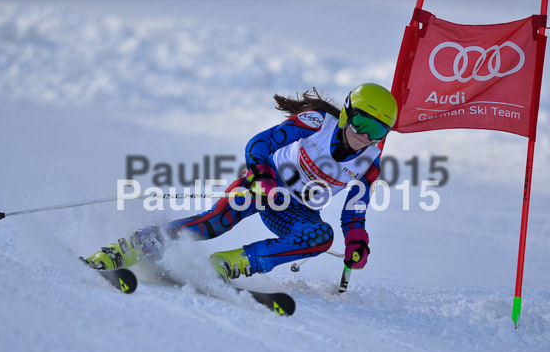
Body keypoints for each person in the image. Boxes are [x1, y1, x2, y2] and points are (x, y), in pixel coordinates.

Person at [84, 83, 398, 282]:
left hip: (295, 210)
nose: (365, 136)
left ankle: (226, 265)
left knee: (320, 236)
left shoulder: (368, 163)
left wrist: (357, 240)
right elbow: (259, 144)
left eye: (377, 131)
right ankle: (133, 246)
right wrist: (262, 176)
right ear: (346, 114)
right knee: (216, 221)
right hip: (263, 187)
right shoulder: (317, 122)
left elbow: (355, 210)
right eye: (361, 122)